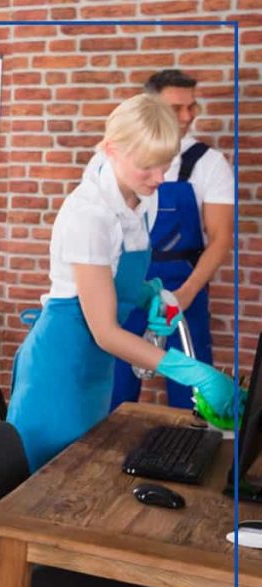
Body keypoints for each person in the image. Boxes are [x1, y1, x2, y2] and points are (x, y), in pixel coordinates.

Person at [6, 94, 236, 587]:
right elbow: (105, 330)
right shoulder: (87, 213)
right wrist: (191, 369)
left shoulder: (140, 202)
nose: (159, 179)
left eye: (166, 166)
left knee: (82, 495)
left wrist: (153, 292)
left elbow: (124, 284)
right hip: (61, 367)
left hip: (91, 373)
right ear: (110, 150)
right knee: (45, 505)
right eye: (146, 168)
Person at [108, 69, 235, 411]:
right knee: (113, 396)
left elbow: (221, 238)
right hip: (128, 292)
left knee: (191, 400)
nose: (186, 116)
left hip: (183, 293)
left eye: (191, 107)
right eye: (176, 108)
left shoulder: (208, 164)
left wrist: (184, 295)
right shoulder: (119, 159)